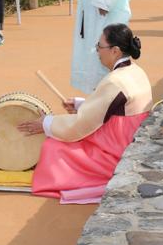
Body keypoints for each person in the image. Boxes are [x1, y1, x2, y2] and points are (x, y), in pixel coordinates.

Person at [17, 23, 152, 203]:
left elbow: (80, 126)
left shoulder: (115, 81)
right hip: (127, 138)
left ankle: (64, 180)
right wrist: (81, 105)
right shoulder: (135, 70)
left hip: (117, 148)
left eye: (100, 46)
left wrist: (46, 123)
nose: (97, 50)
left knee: (54, 146)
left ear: (115, 51)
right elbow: (108, 108)